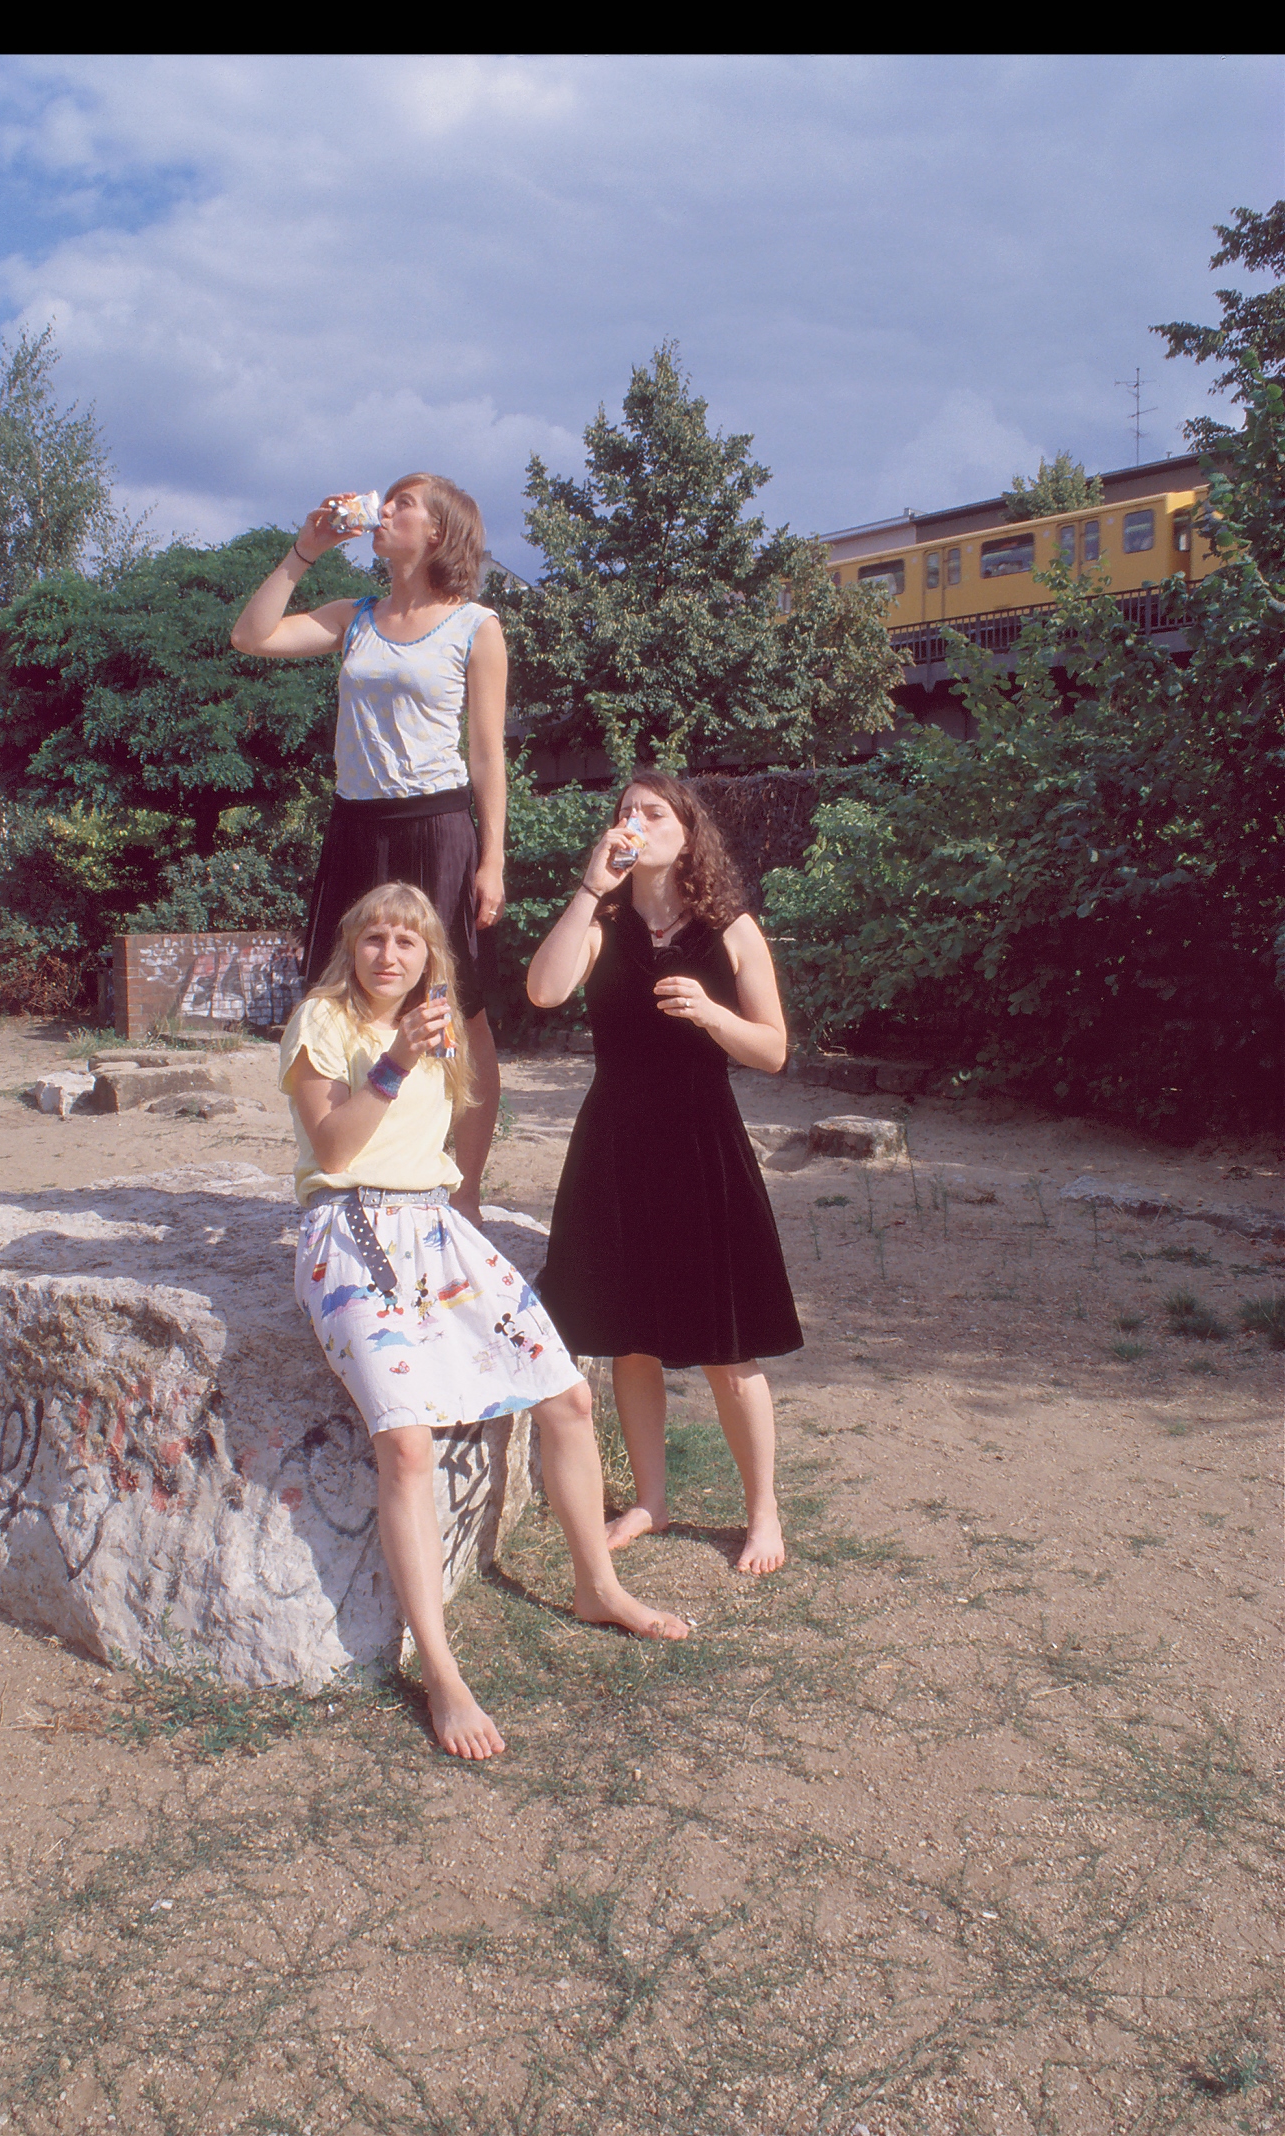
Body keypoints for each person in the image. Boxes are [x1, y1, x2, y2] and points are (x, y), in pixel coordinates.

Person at [280, 880, 689, 1760]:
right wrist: (389, 1061)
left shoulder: (446, 1024)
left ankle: (596, 1584)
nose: (390, 955)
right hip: (349, 1231)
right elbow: (335, 1149)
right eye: (375, 938)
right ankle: (441, 1670)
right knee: (407, 1442)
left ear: (431, 958)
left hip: (434, 1225)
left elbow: (463, 1121)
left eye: (409, 942)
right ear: (352, 947)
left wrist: (464, 1200)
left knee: (567, 1394)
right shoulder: (320, 1023)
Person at [525, 772, 803, 1577]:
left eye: (653, 812)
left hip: (700, 1143)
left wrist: (714, 1016)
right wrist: (588, 886)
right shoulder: (602, 920)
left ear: (687, 830)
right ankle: (651, 1498)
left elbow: (776, 1050)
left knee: (726, 1345)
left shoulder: (731, 928)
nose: (634, 822)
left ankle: (762, 1513)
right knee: (629, 1340)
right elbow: (543, 990)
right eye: (623, 813)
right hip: (614, 1143)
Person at [232, 473, 505, 1225]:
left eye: (402, 505)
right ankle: (346, 1166)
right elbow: (250, 637)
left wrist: (493, 860)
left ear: (439, 531)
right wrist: (303, 552)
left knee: (457, 1006)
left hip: (438, 825)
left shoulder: (475, 627)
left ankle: (467, 1190)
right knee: (338, 991)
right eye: (384, 503)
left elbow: (486, 756)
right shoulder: (354, 616)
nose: (382, 513)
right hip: (356, 823)